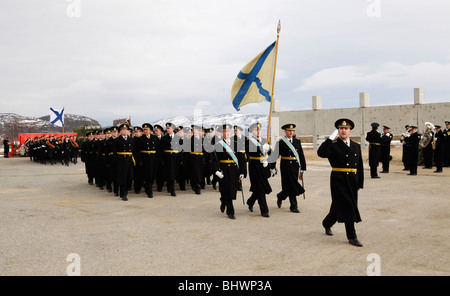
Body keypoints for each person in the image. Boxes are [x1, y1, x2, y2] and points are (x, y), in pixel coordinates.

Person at [317, 119, 364, 247]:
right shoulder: (333, 145)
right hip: (338, 180)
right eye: (341, 128)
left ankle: (327, 223)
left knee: (339, 207)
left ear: (350, 131)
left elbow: (359, 165)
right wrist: (329, 139)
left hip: (352, 180)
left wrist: (360, 182)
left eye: (346, 128)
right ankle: (352, 236)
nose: (343, 130)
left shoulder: (356, 146)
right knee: (348, 206)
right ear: (338, 130)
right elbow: (320, 153)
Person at [211, 124, 245, 219]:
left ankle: (223, 200)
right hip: (224, 170)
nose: (227, 133)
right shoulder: (218, 144)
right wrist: (216, 171)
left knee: (232, 189)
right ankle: (230, 211)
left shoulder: (236, 144)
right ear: (222, 133)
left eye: (229, 131)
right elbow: (214, 159)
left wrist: (242, 172)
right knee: (226, 188)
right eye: (225, 131)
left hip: (234, 170)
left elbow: (241, 159)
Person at [271, 124, 307, 213]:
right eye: (289, 131)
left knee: (290, 185)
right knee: (291, 184)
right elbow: (275, 156)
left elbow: (301, 155)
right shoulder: (280, 143)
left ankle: (281, 196)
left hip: (295, 166)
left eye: (292, 131)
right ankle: (293, 206)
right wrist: (272, 167)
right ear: (285, 132)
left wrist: (303, 167)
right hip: (285, 166)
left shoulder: (297, 142)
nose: (291, 132)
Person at [245, 123, 272, 218]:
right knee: (261, 188)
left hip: (264, 166)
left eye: (259, 130)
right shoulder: (249, 141)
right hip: (255, 167)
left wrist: (269, 150)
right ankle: (264, 210)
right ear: (252, 132)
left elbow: (269, 153)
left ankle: (250, 201)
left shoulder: (265, 140)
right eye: (256, 130)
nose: (258, 131)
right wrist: (261, 148)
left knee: (259, 187)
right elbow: (249, 151)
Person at [137, 123, 160, 198]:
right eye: (144, 130)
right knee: (147, 175)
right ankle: (149, 191)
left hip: (153, 159)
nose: (145, 131)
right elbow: (138, 151)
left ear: (150, 131)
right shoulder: (140, 139)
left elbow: (158, 150)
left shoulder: (155, 138)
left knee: (153, 175)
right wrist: (140, 160)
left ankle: (147, 186)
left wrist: (158, 159)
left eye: (147, 130)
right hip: (145, 159)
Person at [114, 124, 136, 201]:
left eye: (126, 129)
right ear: (120, 131)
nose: (125, 131)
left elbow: (134, 151)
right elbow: (114, 152)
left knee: (130, 177)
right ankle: (123, 193)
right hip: (121, 161)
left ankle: (125, 190)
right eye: (123, 130)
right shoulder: (117, 140)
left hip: (129, 161)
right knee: (122, 178)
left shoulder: (131, 140)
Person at [160, 123, 180, 196]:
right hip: (167, 158)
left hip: (175, 158)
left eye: (169, 128)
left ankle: (170, 186)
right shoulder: (164, 138)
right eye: (167, 128)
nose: (167, 129)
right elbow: (161, 150)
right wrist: (162, 159)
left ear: (173, 129)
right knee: (170, 174)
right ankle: (172, 189)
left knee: (174, 173)